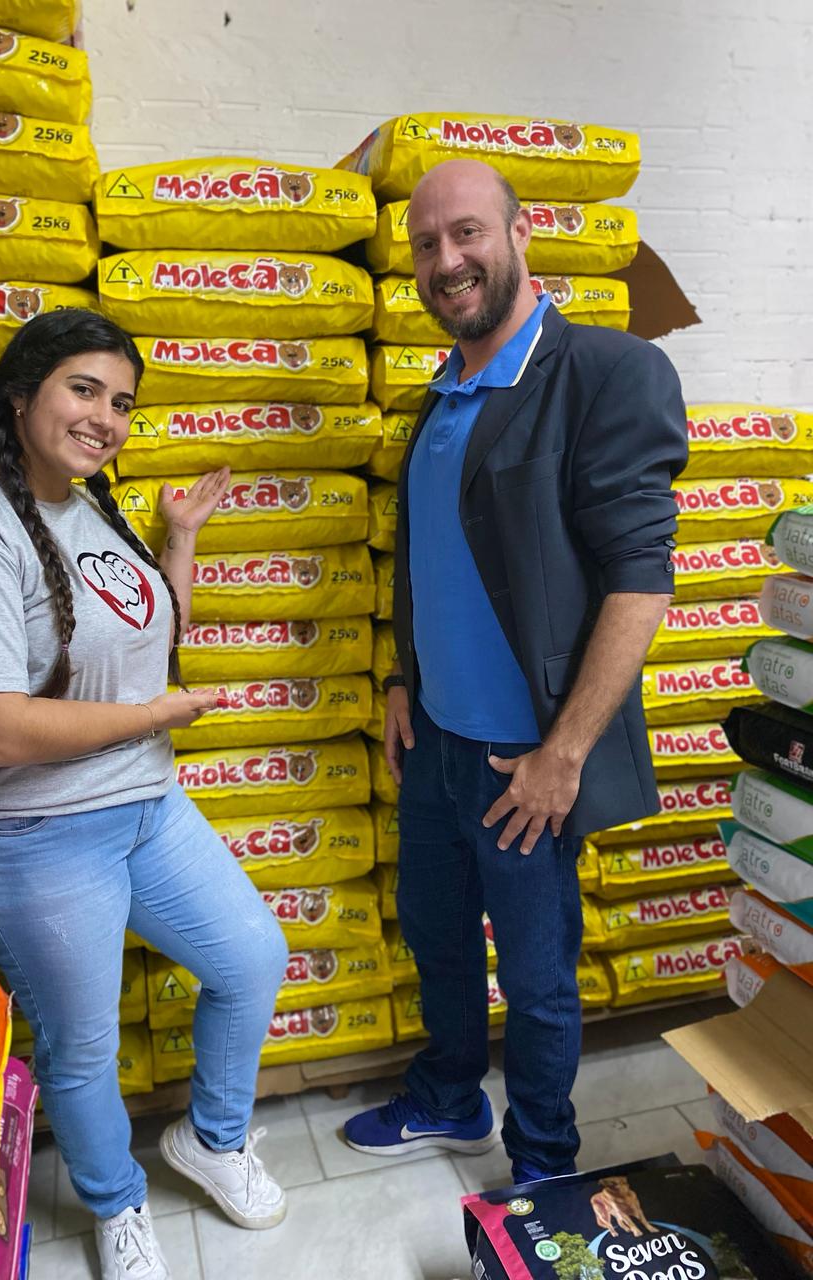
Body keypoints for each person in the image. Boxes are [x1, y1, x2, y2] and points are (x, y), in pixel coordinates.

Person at [0, 310, 290, 1280]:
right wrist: (157, 714)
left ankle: (211, 1139)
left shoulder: (91, 510)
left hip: (147, 806)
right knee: (81, 1047)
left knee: (252, 958)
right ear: (19, 395)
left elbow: (147, 644)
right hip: (31, 833)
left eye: (121, 402)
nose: (105, 418)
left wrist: (180, 542)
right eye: (84, 389)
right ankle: (117, 1203)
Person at [344, 160, 688, 1182]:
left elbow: (640, 580)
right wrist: (402, 679)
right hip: (436, 739)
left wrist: (564, 753)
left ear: (520, 231)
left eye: (467, 233)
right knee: (437, 936)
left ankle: (543, 1160)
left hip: (524, 758)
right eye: (425, 244)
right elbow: (426, 555)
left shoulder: (606, 372)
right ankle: (451, 1097)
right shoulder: (442, 394)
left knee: (537, 977)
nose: (446, 260)